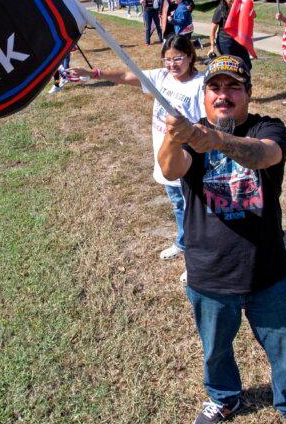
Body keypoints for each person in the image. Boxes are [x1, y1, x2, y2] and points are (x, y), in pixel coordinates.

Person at [157, 55, 286, 424]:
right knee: (215, 349)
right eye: (216, 88)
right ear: (205, 94)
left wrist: (220, 142)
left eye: (233, 88)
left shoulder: (268, 127)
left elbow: (265, 155)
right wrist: (175, 137)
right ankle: (224, 397)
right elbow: (170, 169)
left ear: (247, 93)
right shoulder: (192, 132)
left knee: (285, 347)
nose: (224, 96)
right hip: (209, 271)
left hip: (267, 268)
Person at [66, 36, 205, 276]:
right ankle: (183, 243)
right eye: (167, 59)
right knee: (178, 205)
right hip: (164, 158)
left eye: (178, 59)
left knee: (196, 211)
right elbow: (127, 76)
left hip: (188, 162)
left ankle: (197, 261)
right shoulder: (161, 77)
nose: (172, 65)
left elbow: (209, 124)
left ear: (191, 56)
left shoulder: (200, 84)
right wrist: (94, 73)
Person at [210, 0, 252, 70]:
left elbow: (252, 16)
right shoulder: (220, 10)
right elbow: (213, 30)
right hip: (225, 42)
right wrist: (212, 47)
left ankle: (245, 82)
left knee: (247, 65)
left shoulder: (240, 7)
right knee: (231, 67)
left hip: (239, 40)